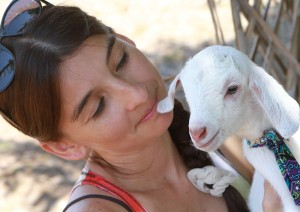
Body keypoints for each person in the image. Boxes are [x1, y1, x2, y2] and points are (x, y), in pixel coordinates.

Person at [0, 0, 282, 211]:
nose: (136, 95)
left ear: (126, 40)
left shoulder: (221, 125)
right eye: (98, 106)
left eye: (121, 62)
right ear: (64, 146)